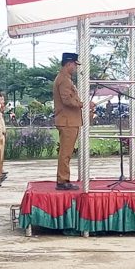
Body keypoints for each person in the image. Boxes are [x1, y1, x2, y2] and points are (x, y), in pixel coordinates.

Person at [52, 52, 83, 191]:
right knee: (66, 153)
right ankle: (63, 180)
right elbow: (66, 100)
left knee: (66, 152)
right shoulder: (64, 79)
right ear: (69, 64)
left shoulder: (65, 78)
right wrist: (81, 104)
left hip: (69, 120)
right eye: (74, 65)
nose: (75, 68)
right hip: (67, 121)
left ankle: (63, 178)